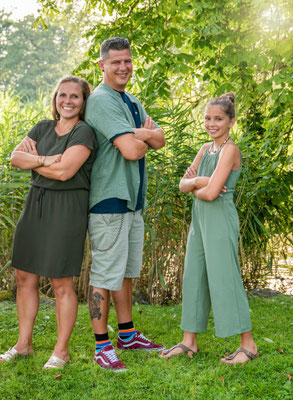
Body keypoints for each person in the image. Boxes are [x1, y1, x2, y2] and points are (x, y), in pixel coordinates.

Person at [0, 76, 97, 370]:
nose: (67, 101)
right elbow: (15, 159)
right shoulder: (42, 127)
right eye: (62, 95)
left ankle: (61, 351)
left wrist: (36, 159)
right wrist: (45, 160)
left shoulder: (84, 131)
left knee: (60, 280)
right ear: (55, 98)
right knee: (24, 276)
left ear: (83, 101)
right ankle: (23, 344)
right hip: (35, 203)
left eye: (74, 96)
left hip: (67, 207)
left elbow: (65, 172)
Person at [84, 37, 166, 372]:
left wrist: (138, 134)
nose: (123, 67)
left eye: (127, 61)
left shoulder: (130, 99)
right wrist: (142, 136)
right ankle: (101, 345)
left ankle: (127, 334)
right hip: (109, 201)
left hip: (132, 201)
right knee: (105, 274)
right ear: (102, 65)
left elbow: (160, 139)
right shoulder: (101, 100)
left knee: (126, 272)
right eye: (115, 61)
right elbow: (133, 150)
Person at [159, 93, 258, 364]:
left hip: (220, 219)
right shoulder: (205, 149)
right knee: (193, 275)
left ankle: (248, 344)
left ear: (231, 122)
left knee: (225, 277)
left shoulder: (230, 150)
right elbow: (183, 185)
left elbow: (213, 193)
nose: (211, 124)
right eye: (207, 118)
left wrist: (198, 185)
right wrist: (199, 183)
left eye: (218, 119)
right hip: (199, 219)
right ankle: (189, 342)